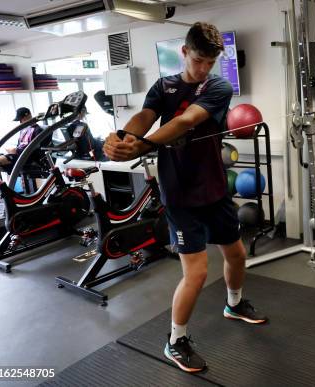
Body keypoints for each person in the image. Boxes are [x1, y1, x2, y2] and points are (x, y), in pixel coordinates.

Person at [103, 22, 267, 373]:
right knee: (196, 272)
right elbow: (143, 116)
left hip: (215, 189)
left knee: (236, 254)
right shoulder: (164, 85)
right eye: (198, 60)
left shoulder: (219, 86)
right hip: (180, 194)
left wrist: (143, 145)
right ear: (185, 53)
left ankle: (234, 304)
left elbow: (186, 121)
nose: (204, 67)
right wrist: (122, 138)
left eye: (210, 61)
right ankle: (175, 340)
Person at [0, 107, 43, 203]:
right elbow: (19, 145)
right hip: (18, 155)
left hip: (26, 157)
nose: (20, 122)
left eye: (21, 119)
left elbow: (31, 149)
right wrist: (12, 150)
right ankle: (1, 193)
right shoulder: (23, 130)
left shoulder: (37, 130)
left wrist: (14, 151)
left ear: (28, 115)